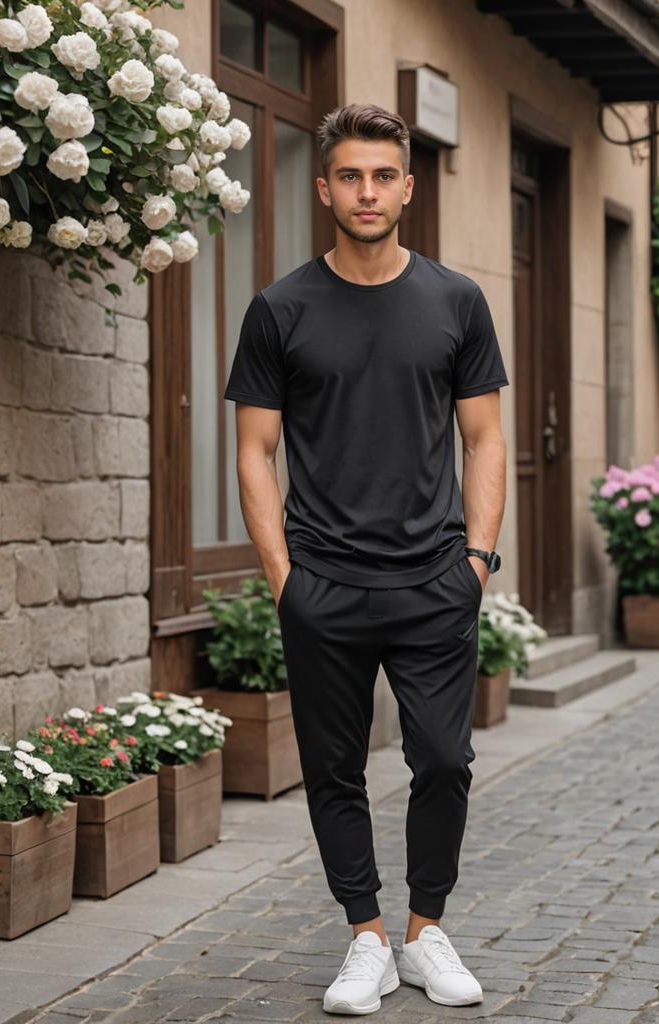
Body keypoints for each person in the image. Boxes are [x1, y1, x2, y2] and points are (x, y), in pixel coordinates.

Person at [223, 102, 509, 1015]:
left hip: (434, 579)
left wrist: (478, 560)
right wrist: (285, 582)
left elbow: (486, 439)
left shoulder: (456, 301)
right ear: (324, 188)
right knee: (334, 770)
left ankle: (427, 932)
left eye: (384, 175)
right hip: (325, 585)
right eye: (350, 175)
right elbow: (253, 453)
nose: (367, 191)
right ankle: (366, 939)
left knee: (444, 761)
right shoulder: (280, 310)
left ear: (408, 188)